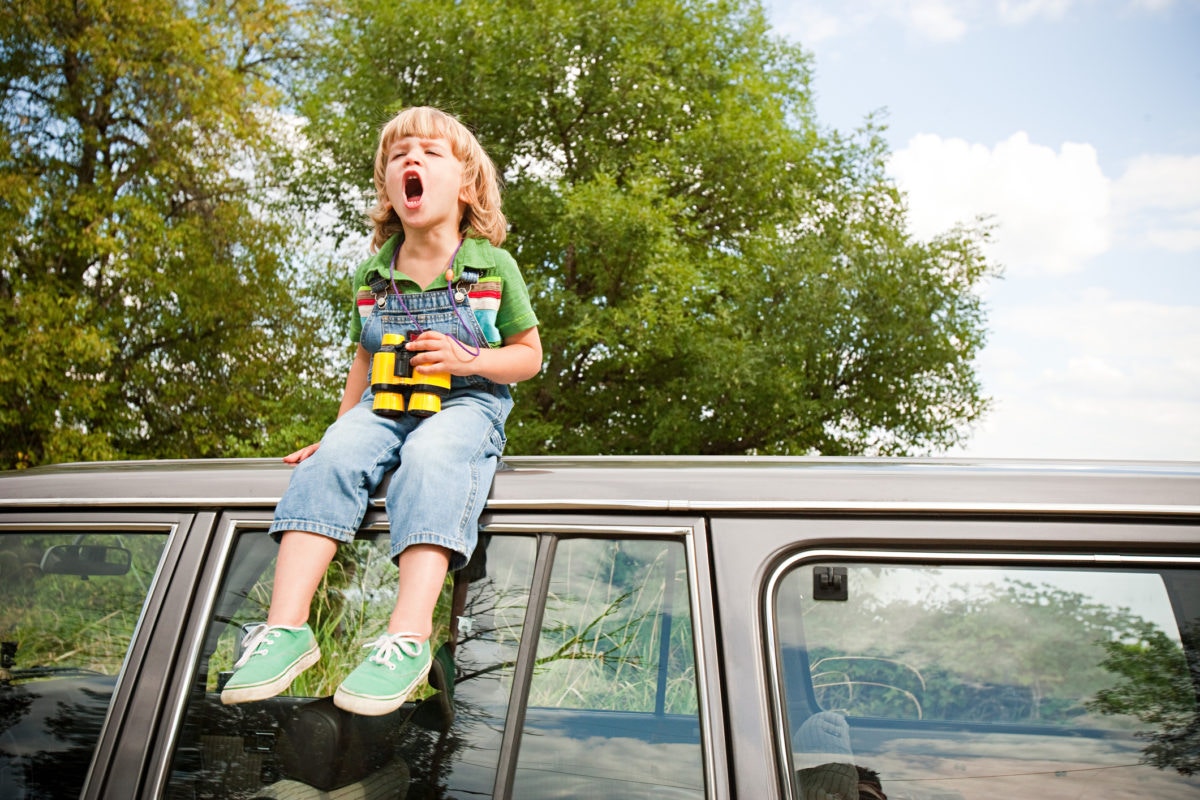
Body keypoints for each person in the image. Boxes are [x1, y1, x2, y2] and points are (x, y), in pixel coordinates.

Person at [220, 106, 542, 716]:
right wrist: (338, 430)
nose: (411, 161)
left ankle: (409, 635)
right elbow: (363, 363)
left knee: (430, 456)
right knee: (329, 462)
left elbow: (528, 357)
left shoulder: (490, 267)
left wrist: (466, 355)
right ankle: (286, 630)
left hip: (467, 401)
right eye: (398, 156)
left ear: (467, 185)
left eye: (429, 153)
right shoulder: (373, 276)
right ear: (389, 190)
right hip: (384, 403)